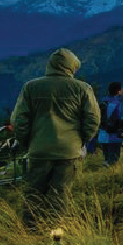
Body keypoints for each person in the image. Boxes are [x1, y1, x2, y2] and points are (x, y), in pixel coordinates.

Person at [10, 48, 100, 226]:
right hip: (68, 152)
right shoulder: (82, 88)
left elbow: (19, 120)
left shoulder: (31, 87)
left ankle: (30, 233)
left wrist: (27, 142)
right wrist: (81, 140)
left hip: (38, 149)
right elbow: (93, 119)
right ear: (72, 67)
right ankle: (54, 233)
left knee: (33, 193)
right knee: (60, 193)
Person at [97, 82, 123, 166]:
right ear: (118, 91)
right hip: (114, 135)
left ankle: (104, 173)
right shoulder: (118, 103)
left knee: (106, 156)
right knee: (114, 159)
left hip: (103, 133)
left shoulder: (103, 101)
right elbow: (121, 117)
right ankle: (111, 176)